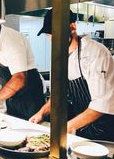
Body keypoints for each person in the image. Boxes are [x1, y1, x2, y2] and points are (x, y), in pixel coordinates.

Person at [29, 9, 114, 141]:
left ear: (72, 27)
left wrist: (66, 128)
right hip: (83, 127)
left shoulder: (96, 53)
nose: (53, 40)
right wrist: (41, 113)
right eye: (50, 35)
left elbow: (101, 105)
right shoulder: (60, 57)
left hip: (106, 129)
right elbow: (59, 94)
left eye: (55, 34)